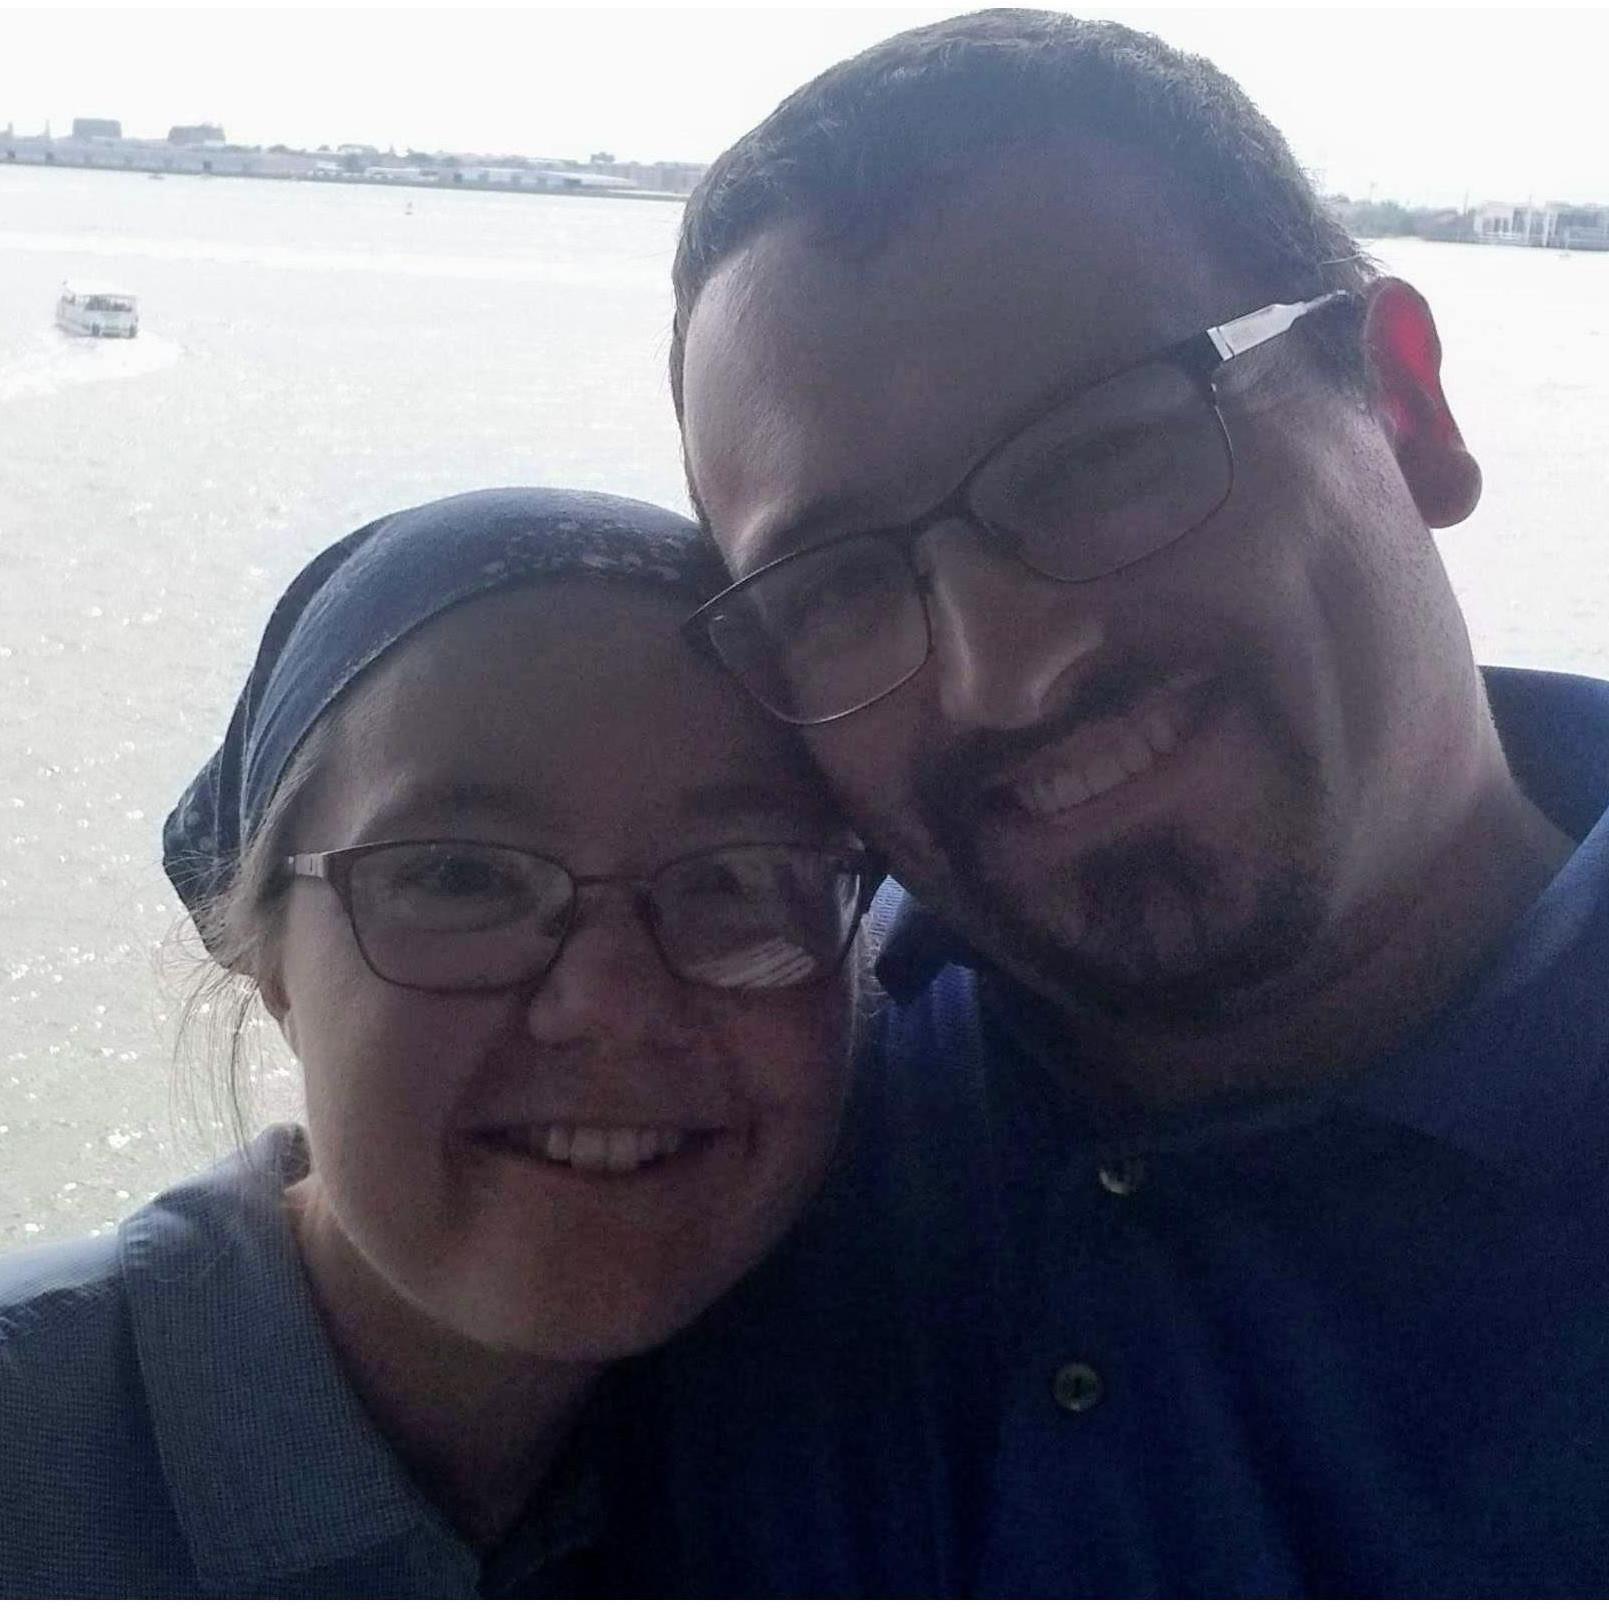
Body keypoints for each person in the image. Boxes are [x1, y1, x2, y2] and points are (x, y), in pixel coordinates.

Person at [659, 9, 1609, 1595]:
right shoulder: (743, 1120)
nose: (1005, 670)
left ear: (1405, 405)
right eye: (835, 589)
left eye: (1105, 451)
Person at [0, 488, 873, 1596]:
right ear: (267, 953)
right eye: (460, 874)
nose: (610, 1002)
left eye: (740, 878)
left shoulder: (845, 1467)